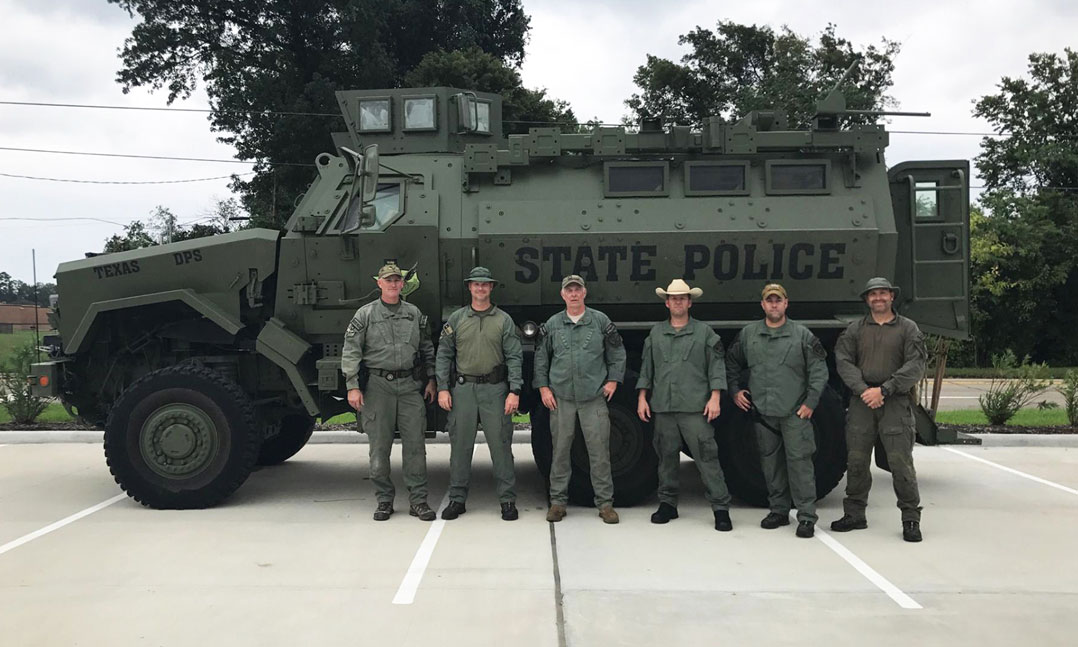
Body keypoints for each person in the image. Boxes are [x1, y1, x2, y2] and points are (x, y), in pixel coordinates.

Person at [725, 283, 828, 538]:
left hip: (794, 412)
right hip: (763, 414)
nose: (773, 304)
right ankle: (779, 510)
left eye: (778, 300)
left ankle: (806, 516)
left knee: (800, 464)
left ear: (786, 304)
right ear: (763, 305)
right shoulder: (749, 334)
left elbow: (818, 370)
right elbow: (731, 362)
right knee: (770, 465)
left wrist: (811, 402)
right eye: (769, 301)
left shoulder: (802, 336)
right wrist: (735, 390)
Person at [831, 277, 927, 542]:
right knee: (857, 461)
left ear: (891, 297)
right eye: (873, 295)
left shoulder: (908, 329)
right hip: (863, 401)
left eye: (883, 293)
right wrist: (864, 390)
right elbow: (843, 361)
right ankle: (855, 514)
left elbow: (915, 365)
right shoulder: (855, 330)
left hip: (894, 401)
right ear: (867, 299)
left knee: (900, 462)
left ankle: (910, 519)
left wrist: (884, 389)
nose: (878, 298)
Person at [341, 263, 437, 522]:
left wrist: (431, 379)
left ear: (403, 284)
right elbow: (351, 350)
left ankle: (418, 501)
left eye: (397, 280)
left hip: (409, 386)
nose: (393, 284)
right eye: (388, 280)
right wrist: (352, 386)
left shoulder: (413, 313)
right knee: (379, 448)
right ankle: (384, 500)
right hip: (378, 386)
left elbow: (426, 348)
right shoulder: (366, 314)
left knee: (415, 447)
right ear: (379, 283)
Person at [636, 279, 734, 531]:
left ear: (689, 302)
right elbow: (647, 369)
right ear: (667, 303)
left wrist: (715, 397)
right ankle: (668, 503)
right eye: (673, 298)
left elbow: (716, 367)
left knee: (706, 456)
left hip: (695, 407)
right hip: (664, 407)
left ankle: (720, 507)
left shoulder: (705, 333)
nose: (678, 302)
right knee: (666, 457)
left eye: (682, 298)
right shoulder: (656, 334)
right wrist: (642, 397)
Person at [534, 275, 626, 524]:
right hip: (562, 398)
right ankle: (558, 502)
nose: (573, 294)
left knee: (599, 453)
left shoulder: (599, 321)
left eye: (577, 290)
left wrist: (613, 380)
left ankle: (605, 504)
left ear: (584, 293)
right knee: (560, 452)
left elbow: (617, 351)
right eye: (569, 290)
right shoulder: (553, 324)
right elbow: (541, 357)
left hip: (593, 397)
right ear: (563, 295)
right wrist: (543, 388)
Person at [435, 267, 523, 521]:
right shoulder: (457, 319)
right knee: (460, 447)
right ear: (469, 287)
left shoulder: (503, 320)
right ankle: (457, 499)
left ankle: (507, 500)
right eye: (476, 284)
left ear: (491, 287)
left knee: (501, 445)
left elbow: (514, 357)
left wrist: (514, 391)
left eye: (485, 285)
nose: (481, 289)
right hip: (463, 390)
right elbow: (444, 355)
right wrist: (443, 388)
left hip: (495, 390)